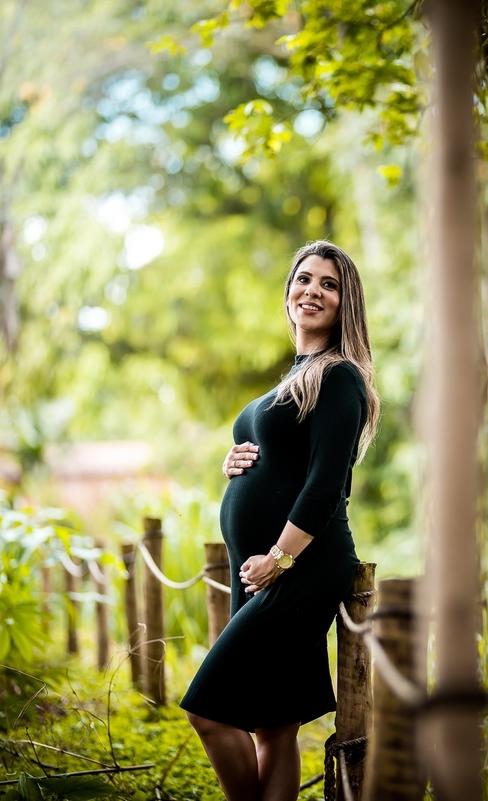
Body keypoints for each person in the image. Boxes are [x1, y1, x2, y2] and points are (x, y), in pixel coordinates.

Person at [180, 240, 381, 801]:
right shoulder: (298, 375)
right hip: (265, 571)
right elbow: (284, 457)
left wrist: (280, 558)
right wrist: (238, 457)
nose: (312, 291)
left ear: (346, 305)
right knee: (273, 725)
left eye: (329, 284)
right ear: (288, 292)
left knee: (207, 710)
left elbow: (325, 485)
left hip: (300, 567)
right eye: (304, 279)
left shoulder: (339, 376)